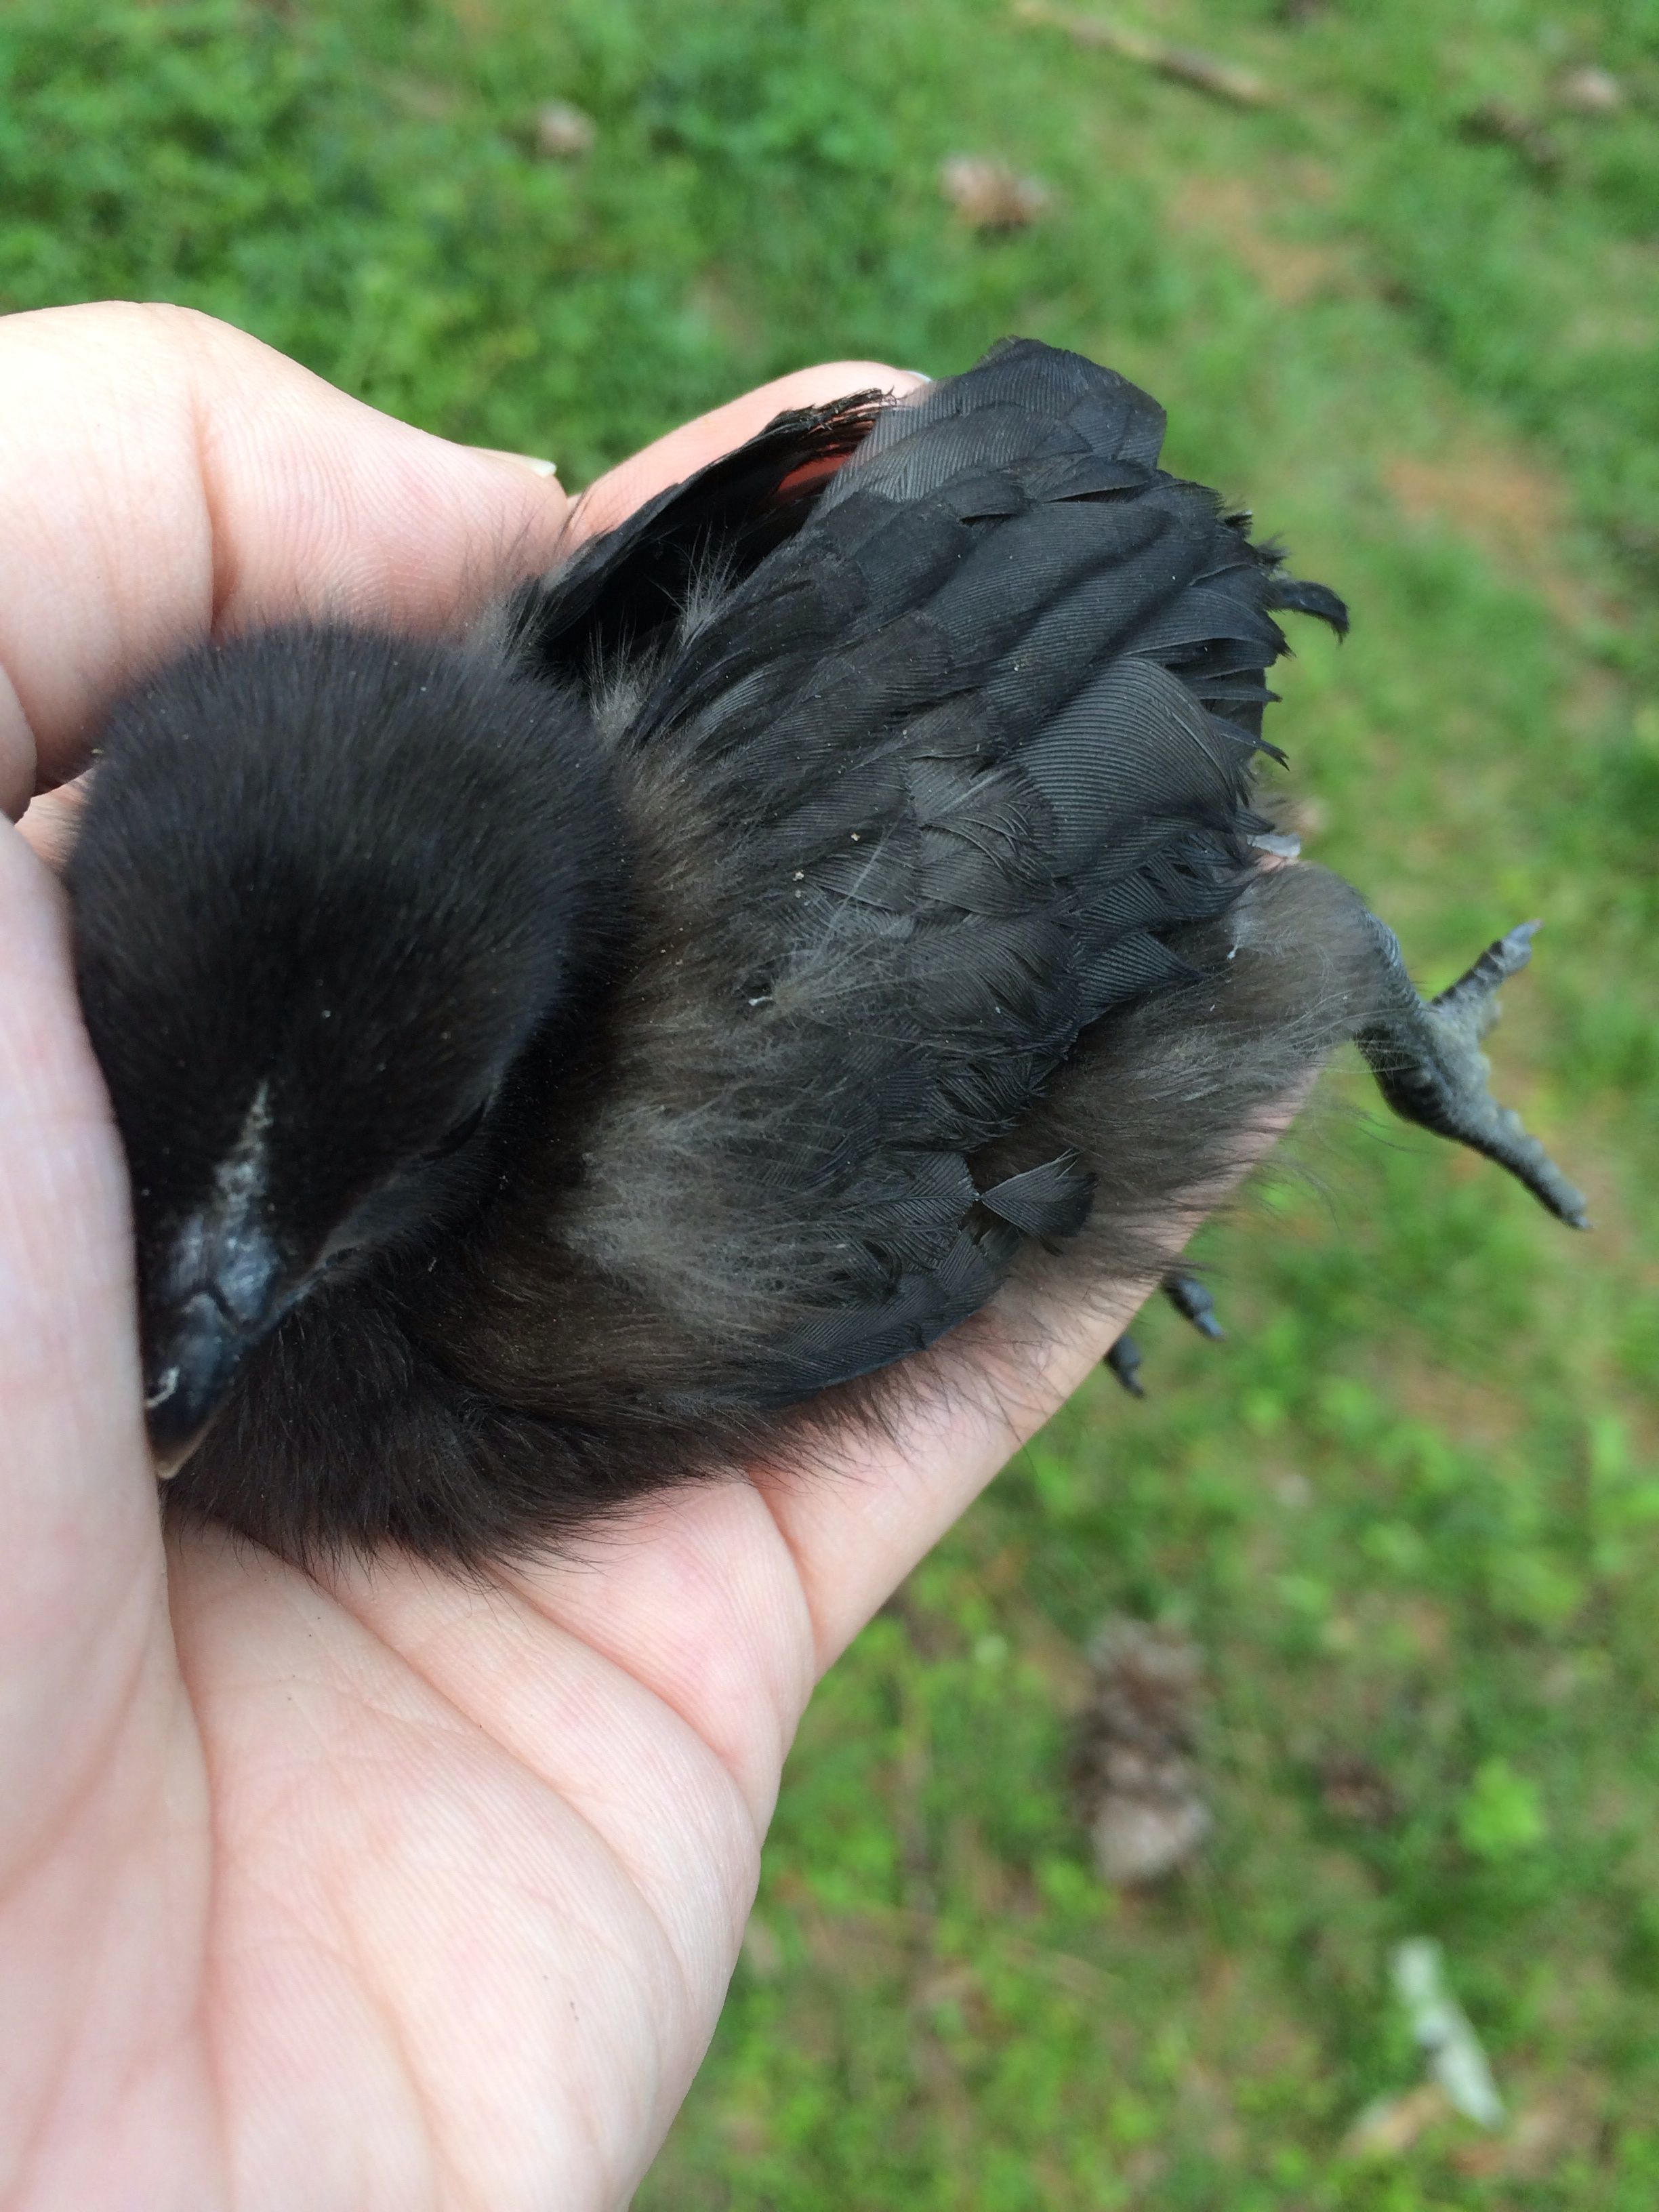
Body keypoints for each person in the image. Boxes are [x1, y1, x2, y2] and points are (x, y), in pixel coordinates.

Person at [0, 303, 1273, 2209]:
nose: (198, 1318)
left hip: (1020, 679)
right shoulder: (583, 1231)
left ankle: (1346, 994)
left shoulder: (640, 1215)